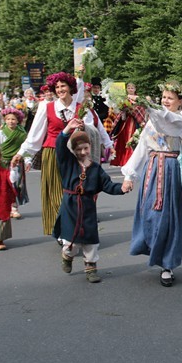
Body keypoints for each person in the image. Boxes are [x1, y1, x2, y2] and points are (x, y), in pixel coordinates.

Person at [121, 81, 182, 287]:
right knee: (150, 214)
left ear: (180, 101)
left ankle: (167, 264)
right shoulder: (153, 120)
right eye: (164, 97)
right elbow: (142, 148)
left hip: (171, 170)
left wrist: (146, 105)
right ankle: (152, 248)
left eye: (170, 97)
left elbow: (165, 121)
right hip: (152, 171)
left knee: (169, 217)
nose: (166, 101)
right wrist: (129, 176)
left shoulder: (181, 120)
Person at [55, 118, 129, 283]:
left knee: (90, 239)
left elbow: (107, 185)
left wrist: (122, 188)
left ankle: (91, 267)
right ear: (73, 150)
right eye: (79, 149)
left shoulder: (95, 168)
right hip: (70, 205)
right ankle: (67, 256)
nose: (83, 152)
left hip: (88, 206)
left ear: (90, 147)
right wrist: (67, 129)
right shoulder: (68, 163)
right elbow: (60, 146)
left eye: (86, 148)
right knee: (70, 240)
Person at [11, 72, 85, 236]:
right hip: (52, 152)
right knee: (55, 192)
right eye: (57, 87)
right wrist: (22, 153)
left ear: (70, 87)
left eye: (63, 86)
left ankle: (73, 226)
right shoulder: (47, 107)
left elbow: (92, 131)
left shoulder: (80, 108)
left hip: (75, 154)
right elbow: (35, 134)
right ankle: (60, 229)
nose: (59, 89)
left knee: (75, 191)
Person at [110, 82, 146, 167]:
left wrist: (133, 110)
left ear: (135, 89)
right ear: (126, 89)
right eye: (129, 88)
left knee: (132, 138)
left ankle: (131, 158)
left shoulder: (138, 98)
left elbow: (140, 109)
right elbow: (120, 109)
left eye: (132, 88)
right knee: (123, 138)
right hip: (125, 120)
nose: (130, 89)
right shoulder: (124, 98)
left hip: (134, 121)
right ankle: (122, 159)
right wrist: (124, 108)